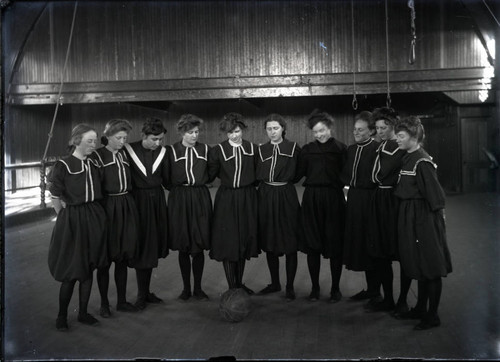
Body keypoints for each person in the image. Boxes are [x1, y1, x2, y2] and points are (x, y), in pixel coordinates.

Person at [394, 116, 452, 330]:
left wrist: (435, 225)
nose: (397, 140)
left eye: (401, 136)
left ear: (413, 137)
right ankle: (420, 308)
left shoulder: (422, 161)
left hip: (424, 218)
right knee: (418, 264)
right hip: (410, 215)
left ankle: (432, 315)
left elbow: (436, 197)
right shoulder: (407, 156)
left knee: (431, 265)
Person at [48, 124, 107, 330]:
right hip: (72, 219)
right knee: (72, 269)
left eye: (95, 141)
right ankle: (62, 316)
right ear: (76, 141)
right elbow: (55, 197)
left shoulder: (94, 163)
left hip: (94, 216)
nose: (94, 145)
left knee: (88, 267)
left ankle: (83, 313)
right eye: (89, 141)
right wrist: (66, 218)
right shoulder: (63, 165)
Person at [295, 110, 347, 302]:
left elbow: (347, 174)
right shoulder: (307, 150)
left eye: (322, 130)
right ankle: (315, 288)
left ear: (329, 127)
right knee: (312, 244)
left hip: (334, 198)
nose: (319, 135)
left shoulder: (341, 149)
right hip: (312, 199)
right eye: (316, 132)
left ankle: (335, 289)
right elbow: (297, 174)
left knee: (335, 244)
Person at [91, 119, 140, 317]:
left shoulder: (124, 155)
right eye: (118, 138)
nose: (122, 142)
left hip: (126, 205)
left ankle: (121, 301)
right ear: (107, 136)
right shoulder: (97, 156)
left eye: (125, 138)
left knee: (122, 257)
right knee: (106, 259)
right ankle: (104, 304)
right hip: (108, 207)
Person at [208, 112, 259, 294]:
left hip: (247, 198)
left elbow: (258, 175)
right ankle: (232, 287)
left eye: (237, 131)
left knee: (243, 241)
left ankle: (239, 283)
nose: (234, 136)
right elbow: (209, 175)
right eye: (230, 133)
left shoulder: (253, 149)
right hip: (227, 199)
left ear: (242, 130)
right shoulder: (218, 150)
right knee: (229, 242)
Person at [124, 118, 169, 310]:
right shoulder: (128, 150)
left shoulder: (163, 152)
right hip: (138, 202)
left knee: (152, 247)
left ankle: (147, 292)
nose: (157, 143)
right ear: (143, 136)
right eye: (153, 139)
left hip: (157, 201)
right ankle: (142, 294)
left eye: (160, 139)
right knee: (142, 247)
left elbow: (167, 180)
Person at [365, 107, 408, 313]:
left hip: (394, 200)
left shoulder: (400, 148)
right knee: (380, 252)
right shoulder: (379, 147)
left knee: (401, 251)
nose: (380, 131)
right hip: (379, 199)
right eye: (378, 128)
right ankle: (389, 298)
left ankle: (402, 300)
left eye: (385, 127)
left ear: (393, 126)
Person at [256, 114, 301, 301]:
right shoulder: (261, 149)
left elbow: (298, 173)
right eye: (269, 128)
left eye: (275, 128)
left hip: (286, 195)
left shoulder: (293, 148)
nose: (272, 132)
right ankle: (275, 283)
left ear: (283, 128)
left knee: (290, 242)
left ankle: (290, 286)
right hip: (266, 195)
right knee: (270, 241)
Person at [167, 114, 212, 301]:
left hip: (200, 196)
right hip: (180, 197)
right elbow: (166, 176)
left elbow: (211, 173)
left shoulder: (206, 149)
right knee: (184, 246)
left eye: (196, 132)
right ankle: (186, 288)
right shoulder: (170, 151)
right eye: (190, 132)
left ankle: (198, 288)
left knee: (198, 245)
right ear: (181, 133)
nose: (194, 136)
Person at [340, 111, 379, 304]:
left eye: (361, 130)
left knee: (371, 244)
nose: (356, 132)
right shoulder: (351, 149)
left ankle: (376, 291)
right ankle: (371, 289)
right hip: (354, 200)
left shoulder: (376, 148)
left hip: (370, 201)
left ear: (371, 131)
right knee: (361, 245)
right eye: (355, 129)